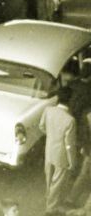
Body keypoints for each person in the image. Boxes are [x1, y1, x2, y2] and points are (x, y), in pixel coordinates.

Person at [41, 86, 78, 214]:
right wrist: (72, 161)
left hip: (49, 150)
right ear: (70, 100)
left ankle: (49, 203)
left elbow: (42, 127)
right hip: (61, 155)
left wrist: (52, 136)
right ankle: (50, 209)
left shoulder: (48, 110)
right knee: (56, 183)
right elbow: (69, 144)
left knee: (48, 179)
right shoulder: (70, 120)